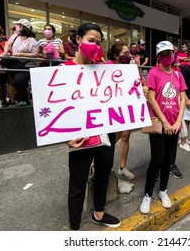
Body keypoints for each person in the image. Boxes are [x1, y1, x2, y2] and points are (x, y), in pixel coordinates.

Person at [62, 22, 121, 230]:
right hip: (80, 138)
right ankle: (75, 227)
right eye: (90, 40)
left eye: (98, 42)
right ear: (78, 40)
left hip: (105, 133)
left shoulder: (106, 71)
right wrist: (65, 137)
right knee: (77, 182)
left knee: (103, 174)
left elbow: (118, 99)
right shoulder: (64, 70)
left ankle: (99, 213)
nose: (95, 46)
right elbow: (54, 110)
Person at [140, 40, 186, 214]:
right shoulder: (154, 72)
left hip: (174, 125)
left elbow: (182, 98)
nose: (168, 57)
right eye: (164, 54)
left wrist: (177, 121)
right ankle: (147, 194)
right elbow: (151, 98)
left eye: (170, 53)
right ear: (159, 57)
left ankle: (163, 191)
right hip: (160, 125)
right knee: (156, 160)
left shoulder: (178, 75)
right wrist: (166, 122)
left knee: (168, 161)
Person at [105, 42, 137, 180]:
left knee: (126, 135)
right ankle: (103, 164)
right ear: (116, 55)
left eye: (129, 52)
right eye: (125, 52)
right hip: (111, 108)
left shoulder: (130, 68)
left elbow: (138, 82)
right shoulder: (107, 66)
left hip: (127, 106)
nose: (128, 55)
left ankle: (122, 167)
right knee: (110, 138)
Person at [1, 19, 38, 106]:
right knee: (14, 82)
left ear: (24, 27)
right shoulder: (15, 36)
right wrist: (6, 51)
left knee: (19, 80)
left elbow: (35, 54)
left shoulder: (32, 41)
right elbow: (7, 44)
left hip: (26, 65)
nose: (16, 27)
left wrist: (21, 54)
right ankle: (19, 101)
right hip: (13, 64)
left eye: (19, 25)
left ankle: (24, 100)